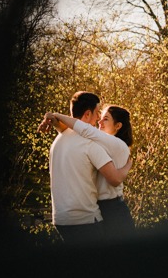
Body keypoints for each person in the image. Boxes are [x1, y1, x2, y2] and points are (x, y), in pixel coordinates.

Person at [44, 91, 131, 244]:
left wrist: (54, 118)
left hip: (60, 218)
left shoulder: (59, 139)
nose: (98, 119)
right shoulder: (90, 144)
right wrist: (129, 165)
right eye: (98, 113)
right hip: (85, 219)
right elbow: (115, 178)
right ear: (87, 113)